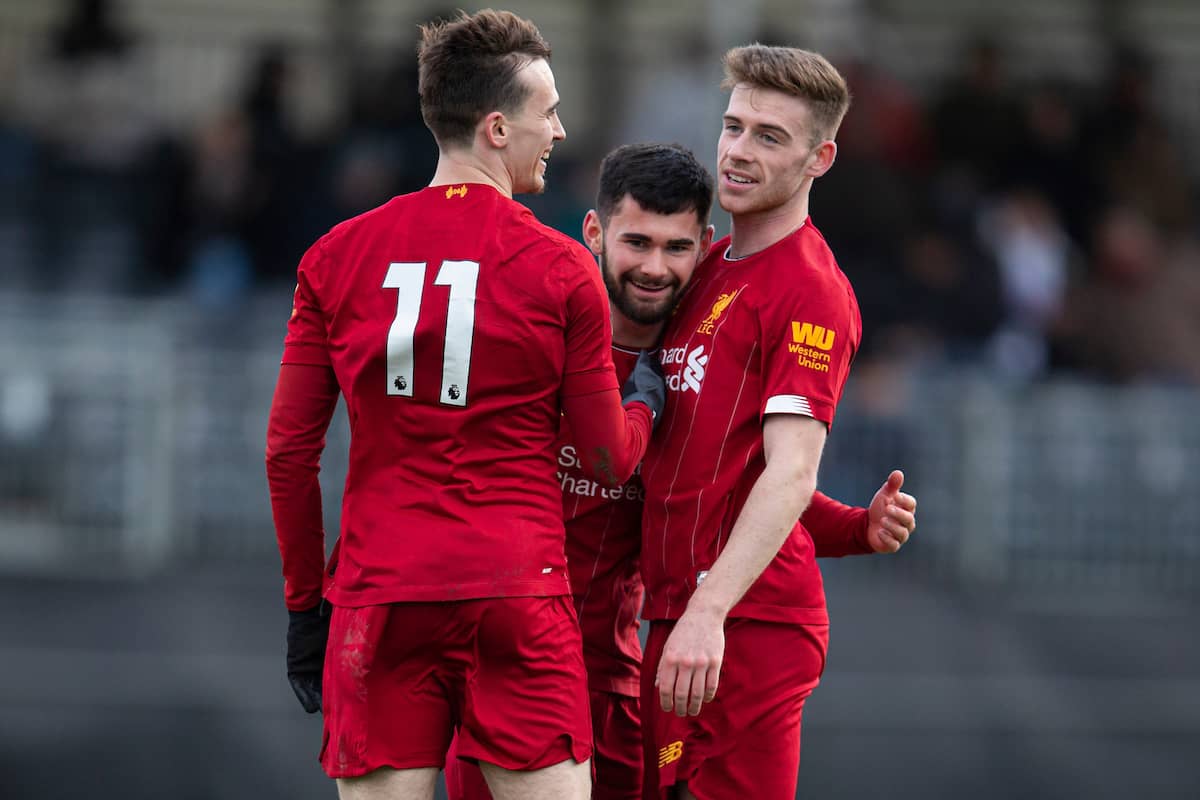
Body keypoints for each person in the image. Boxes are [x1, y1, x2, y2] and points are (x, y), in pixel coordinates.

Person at [264, 11, 665, 800]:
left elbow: (287, 455)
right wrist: (644, 400)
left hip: (379, 599)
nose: (558, 129)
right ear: (495, 127)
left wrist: (306, 604)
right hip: (515, 592)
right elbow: (607, 456)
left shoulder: (334, 257)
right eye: (546, 111)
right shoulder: (559, 266)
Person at [445, 143, 916, 800]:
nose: (653, 267)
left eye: (676, 248)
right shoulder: (530, 351)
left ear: (704, 248)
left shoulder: (681, 371)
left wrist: (859, 527)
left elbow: (745, 488)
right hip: (505, 676)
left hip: (613, 684)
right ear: (594, 232)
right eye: (636, 242)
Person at [638, 45, 863, 799]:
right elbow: (719, 463)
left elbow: (792, 469)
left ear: (819, 158)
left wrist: (710, 610)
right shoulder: (703, 265)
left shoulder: (810, 290)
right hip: (678, 617)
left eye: (770, 136)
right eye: (733, 126)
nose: (736, 151)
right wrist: (856, 528)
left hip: (745, 622)